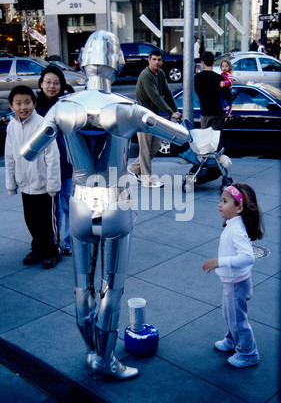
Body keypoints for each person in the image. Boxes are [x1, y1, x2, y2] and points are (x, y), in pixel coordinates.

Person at [21, 31, 189, 380]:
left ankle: (91, 352)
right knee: (113, 286)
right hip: (115, 201)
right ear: (116, 64)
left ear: (83, 62)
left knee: (83, 286)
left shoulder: (63, 107)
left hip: (81, 201)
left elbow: (29, 151)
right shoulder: (127, 108)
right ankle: (106, 359)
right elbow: (182, 136)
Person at [202, 183, 264, 368]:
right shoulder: (233, 224)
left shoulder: (237, 230)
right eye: (221, 200)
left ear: (239, 207)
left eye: (225, 201)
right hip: (232, 281)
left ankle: (248, 353)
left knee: (237, 319)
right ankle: (232, 340)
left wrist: (221, 262)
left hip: (236, 283)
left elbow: (247, 257)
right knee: (230, 315)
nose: (220, 205)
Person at [5, 85, 61, 269]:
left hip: (44, 184)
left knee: (48, 221)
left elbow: (52, 157)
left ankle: (53, 251)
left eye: (27, 102)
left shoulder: (42, 124)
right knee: (31, 220)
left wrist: (52, 184)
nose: (23, 107)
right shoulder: (12, 126)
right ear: (11, 106)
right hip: (25, 184)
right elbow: (10, 155)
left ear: (34, 103)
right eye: (18, 103)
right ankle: (38, 248)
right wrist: (11, 183)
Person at [127, 49, 182, 187]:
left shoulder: (160, 74)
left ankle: (134, 168)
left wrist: (175, 111)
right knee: (145, 149)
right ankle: (147, 180)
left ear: (162, 61)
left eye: (159, 60)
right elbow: (155, 97)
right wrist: (170, 112)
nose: (157, 62)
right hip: (142, 118)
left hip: (153, 117)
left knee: (155, 146)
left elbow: (168, 93)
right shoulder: (146, 75)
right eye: (154, 59)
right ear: (149, 60)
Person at [36, 65, 74, 256]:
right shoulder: (34, 106)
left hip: (65, 164)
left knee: (69, 204)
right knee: (52, 208)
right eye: (48, 82)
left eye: (56, 83)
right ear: (41, 83)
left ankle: (68, 241)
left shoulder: (65, 105)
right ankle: (53, 243)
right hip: (44, 166)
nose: (52, 86)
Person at [195, 51, 227, 132]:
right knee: (215, 141)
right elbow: (227, 94)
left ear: (203, 63)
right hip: (217, 112)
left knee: (204, 141)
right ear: (213, 62)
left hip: (205, 113)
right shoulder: (220, 78)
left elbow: (197, 91)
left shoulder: (198, 77)